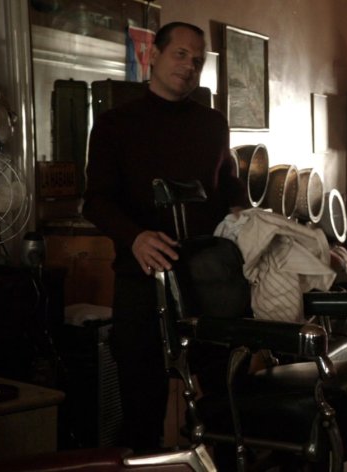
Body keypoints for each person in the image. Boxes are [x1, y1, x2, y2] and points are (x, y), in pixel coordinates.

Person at [83, 21, 246, 452]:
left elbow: (228, 186)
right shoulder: (114, 125)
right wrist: (135, 237)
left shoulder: (213, 124)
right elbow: (95, 201)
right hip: (142, 279)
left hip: (209, 284)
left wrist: (244, 216)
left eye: (198, 60)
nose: (190, 66)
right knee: (142, 408)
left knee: (225, 400)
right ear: (153, 55)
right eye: (181, 54)